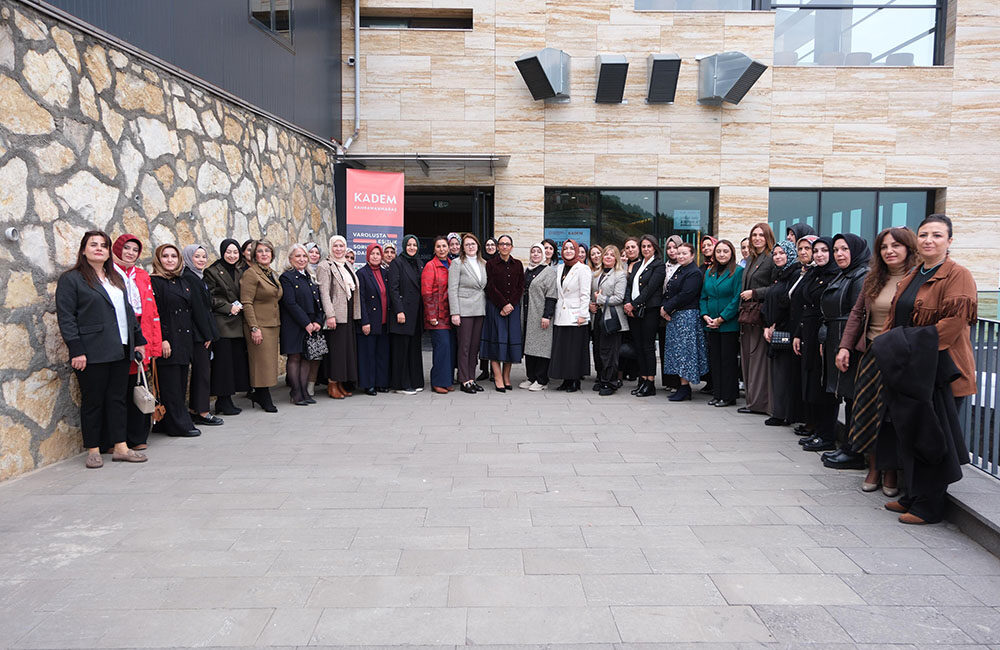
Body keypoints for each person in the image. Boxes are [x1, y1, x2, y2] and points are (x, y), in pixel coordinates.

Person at [878, 214, 976, 525]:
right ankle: (913, 495)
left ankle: (930, 505)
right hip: (910, 369)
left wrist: (904, 346)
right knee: (912, 433)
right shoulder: (913, 275)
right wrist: (890, 348)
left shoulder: (958, 275)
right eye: (923, 235)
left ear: (949, 241)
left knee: (936, 435)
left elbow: (950, 327)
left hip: (940, 371)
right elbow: (896, 321)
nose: (928, 240)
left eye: (936, 235)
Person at [56, 231, 148, 467]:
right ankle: (93, 449)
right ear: (83, 250)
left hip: (120, 347)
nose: (99, 248)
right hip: (92, 350)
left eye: (103, 245)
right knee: (93, 400)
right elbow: (67, 317)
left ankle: (120, 446)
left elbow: (127, 312)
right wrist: (76, 349)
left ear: (108, 252)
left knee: (117, 399)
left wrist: (139, 341)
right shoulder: (72, 279)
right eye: (93, 244)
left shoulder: (114, 278)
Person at [837, 227, 918, 495]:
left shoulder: (916, 278)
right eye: (884, 247)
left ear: (908, 248)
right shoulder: (874, 278)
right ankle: (873, 466)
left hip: (901, 357)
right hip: (871, 354)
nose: (889, 251)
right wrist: (845, 346)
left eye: (896, 246)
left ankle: (891, 471)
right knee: (867, 411)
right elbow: (857, 312)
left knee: (892, 416)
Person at [801, 233, 871, 455]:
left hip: (847, 342)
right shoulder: (844, 275)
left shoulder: (860, 276)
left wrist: (846, 346)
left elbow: (858, 314)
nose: (839, 254)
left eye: (844, 249)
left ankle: (852, 449)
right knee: (834, 390)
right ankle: (836, 440)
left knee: (850, 396)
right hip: (833, 337)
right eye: (837, 250)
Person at [111, 234, 162, 451]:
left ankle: (138, 436)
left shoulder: (141, 275)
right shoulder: (108, 274)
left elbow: (151, 310)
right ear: (117, 249)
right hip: (119, 338)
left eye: (135, 250)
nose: (130, 253)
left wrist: (154, 343)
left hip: (141, 337)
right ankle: (116, 438)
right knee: (118, 391)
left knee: (139, 387)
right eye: (127, 248)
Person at [149, 244, 201, 436]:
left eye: (173, 256)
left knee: (179, 384)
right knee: (170, 385)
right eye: (165, 256)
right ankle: (178, 425)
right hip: (168, 340)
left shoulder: (182, 281)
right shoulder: (154, 282)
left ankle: (170, 421)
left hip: (184, 339)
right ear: (158, 259)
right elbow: (156, 314)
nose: (170, 260)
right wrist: (162, 340)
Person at [794, 238, 838, 447]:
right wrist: (798, 333)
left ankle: (827, 435)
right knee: (812, 382)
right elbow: (805, 305)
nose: (819, 254)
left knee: (823, 385)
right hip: (808, 333)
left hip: (824, 335)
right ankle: (817, 429)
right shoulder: (813, 273)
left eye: (824, 251)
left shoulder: (835, 274)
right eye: (816, 250)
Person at [204, 239, 250, 416]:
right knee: (223, 364)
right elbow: (210, 296)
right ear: (222, 252)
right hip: (223, 322)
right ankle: (223, 400)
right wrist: (227, 307)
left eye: (235, 252)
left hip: (238, 322)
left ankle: (228, 399)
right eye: (229, 252)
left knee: (235, 363)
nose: (232, 255)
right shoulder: (213, 271)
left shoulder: (240, 270)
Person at [181, 245, 223, 428]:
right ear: (189, 257)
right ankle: (202, 411)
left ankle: (195, 409)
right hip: (199, 335)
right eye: (196, 256)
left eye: (203, 256)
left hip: (201, 332)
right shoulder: (190, 278)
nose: (201, 259)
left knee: (201, 372)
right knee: (202, 373)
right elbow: (198, 310)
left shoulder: (197, 277)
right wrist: (207, 335)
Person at [738, 223, 778, 414]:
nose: (757, 238)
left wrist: (754, 292)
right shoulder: (751, 259)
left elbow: (775, 288)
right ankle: (751, 400)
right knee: (747, 359)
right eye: (754, 234)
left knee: (758, 361)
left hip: (760, 315)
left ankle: (759, 403)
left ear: (768, 237)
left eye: (761, 235)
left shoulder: (770, 259)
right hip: (747, 316)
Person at [761, 240, 801, 426]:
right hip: (774, 328)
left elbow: (788, 303)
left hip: (786, 329)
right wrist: (766, 325)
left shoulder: (795, 274)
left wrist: (775, 324)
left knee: (785, 373)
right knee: (778, 372)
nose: (777, 257)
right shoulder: (779, 275)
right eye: (775, 254)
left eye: (782, 253)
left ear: (790, 255)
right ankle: (779, 411)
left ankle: (785, 413)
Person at [660, 242, 707, 402]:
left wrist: (666, 307)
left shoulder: (694, 272)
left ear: (692, 255)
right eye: (678, 253)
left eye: (684, 253)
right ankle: (682, 386)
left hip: (687, 317)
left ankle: (685, 388)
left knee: (685, 354)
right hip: (677, 316)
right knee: (678, 354)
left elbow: (686, 294)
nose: (680, 256)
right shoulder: (681, 269)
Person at [240, 240, 283, 413]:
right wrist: (254, 327)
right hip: (259, 324)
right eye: (260, 251)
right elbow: (246, 302)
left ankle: (260, 393)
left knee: (269, 362)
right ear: (254, 255)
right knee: (261, 362)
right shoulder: (251, 273)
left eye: (267, 251)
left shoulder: (271, 273)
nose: (264, 254)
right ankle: (262, 395)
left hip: (273, 323)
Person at [279, 244, 324, 405]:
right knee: (295, 357)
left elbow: (318, 302)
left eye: (304, 256)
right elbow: (290, 303)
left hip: (312, 324)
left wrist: (318, 321)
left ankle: (305, 391)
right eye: (298, 256)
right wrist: (306, 323)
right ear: (290, 258)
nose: (302, 259)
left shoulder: (310, 276)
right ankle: (296, 392)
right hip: (294, 324)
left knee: (307, 357)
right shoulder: (287, 277)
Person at [700, 240, 743, 407]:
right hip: (710, 323)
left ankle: (728, 395)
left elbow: (736, 299)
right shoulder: (709, 272)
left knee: (727, 361)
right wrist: (705, 315)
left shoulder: (738, 272)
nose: (722, 254)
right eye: (719, 251)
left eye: (725, 251)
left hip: (728, 324)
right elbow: (704, 296)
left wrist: (722, 318)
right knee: (715, 360)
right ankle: (717, 394)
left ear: (731, 253)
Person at [317, 235, 360, 399]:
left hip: (347, 315)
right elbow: (324, 293)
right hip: (336, 316)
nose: (339, 249)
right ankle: (332, 383)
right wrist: (330, 315)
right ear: (330, 247)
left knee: (344, 352)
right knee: (336, 352)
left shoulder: (346, 264)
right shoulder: (325, 266)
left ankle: (340, 382)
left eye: (342, 246)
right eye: (335, 246)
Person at [481, 234, 525, 391]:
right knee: (496, 341)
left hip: (512, 309)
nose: (504, 246)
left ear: (512, 247)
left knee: (510, 343)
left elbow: (520, 286)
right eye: (502, 244)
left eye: (507, 244)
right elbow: (490, 287)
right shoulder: (491, 264)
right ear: (498, 247)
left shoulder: (518, 264)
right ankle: (497, 377)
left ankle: (506, 376)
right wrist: (503, 304)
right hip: (496, 308)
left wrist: (511, 304)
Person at [624, 234, 666, 397]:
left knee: (648, 347)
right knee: (639, 346)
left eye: (649, 246)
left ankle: (650, 383)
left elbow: (650, 289)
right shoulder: (637, 265)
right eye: (644, 246)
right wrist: (628, 303)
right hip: (634, 311)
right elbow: (629, 286)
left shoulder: (659, 265)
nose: (646, 249)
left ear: (655, 247)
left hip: (649, 310)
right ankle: (642, 379)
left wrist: (633, 304)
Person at [549, 240, 592, 392]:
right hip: (561, 314)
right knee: (563, 350)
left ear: (576, 250)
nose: (568, 251)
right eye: (565, 248)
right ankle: (566, 380)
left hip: (575, 315)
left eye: (571, 248)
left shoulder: (583, 269)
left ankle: (575, 381)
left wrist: (583, 314)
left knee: (574, 350)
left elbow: (585, 294)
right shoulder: (560, 268)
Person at [450, 234, 488, 394]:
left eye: (473, 244)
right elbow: (452, 289)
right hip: (464, 310)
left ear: (478, 246)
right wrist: (455, 313)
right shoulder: (457, 263)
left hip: (480, 309)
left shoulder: (483, 263)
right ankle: (464, 379)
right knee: (464, 346)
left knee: (474, 347)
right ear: (462, 248)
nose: (471, 247)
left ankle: (472, 378)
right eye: (467, 244)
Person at [387, 234, 424, 395]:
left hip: (416, 313)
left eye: (414, 245)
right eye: (409, 245)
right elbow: (393, 289)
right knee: (401, 349)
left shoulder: (419, 262)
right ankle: (400, 384)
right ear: (404, 246)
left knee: (413, 348)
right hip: (403, 313)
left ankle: (415, 380)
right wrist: (399, 310)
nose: (412, 248)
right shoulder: (397, 263)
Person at [591, 245, 628, 396]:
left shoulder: (620, 274)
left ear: (616, 258)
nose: (607, 257)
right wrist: (591, 304)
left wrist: (599, 298)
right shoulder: (597, 273)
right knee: (599, 349)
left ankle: (611, 382)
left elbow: (619, 297)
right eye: (606, 254)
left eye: (612, 255)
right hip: (598, 315)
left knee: (610, 352)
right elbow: (591, 293)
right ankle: (602, 379)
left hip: (612, 317)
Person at [522, 242, 558, 391]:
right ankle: (531, 377)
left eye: (538, 252)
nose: (535, 254)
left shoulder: (548, 271)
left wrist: (547, 315)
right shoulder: (528, 270)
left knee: (542, 348)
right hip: (528, 314)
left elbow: (551, 295)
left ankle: (542, 379)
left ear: (543, 254)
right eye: (533, 251)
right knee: (530, 347)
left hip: (541, 315)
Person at [423, 236, 456, 394]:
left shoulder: (452, 264)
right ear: (434, 249)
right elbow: (427, 293)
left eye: (444, 246)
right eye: (438, 246)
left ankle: (447, 380)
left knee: (449, 349)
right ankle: (437, 381)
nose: (442, 249)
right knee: (441, 348)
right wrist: (431, 316)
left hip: (450, 314)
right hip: (437, 315)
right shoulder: (431, 266)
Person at [356, 243, 391, 396]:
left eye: (378, 254)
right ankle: (368, 384)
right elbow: (361, 299)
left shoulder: (385, 273)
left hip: (384, 320)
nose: (375, 257)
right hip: (370, 321)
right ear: (367, 256)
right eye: (372, 254)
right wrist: (365, 321)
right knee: (368, 355)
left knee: (382, 353)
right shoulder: (362, 273)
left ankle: (381, 383)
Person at [660, 235, 683, 392]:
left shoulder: (685, 267)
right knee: (664, 346)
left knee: (677, 348)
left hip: (678, 311)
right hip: (662, 312)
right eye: (669, 248)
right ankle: (668, 380)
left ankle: (677, 382)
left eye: (675, 247)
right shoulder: (663, 267)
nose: (672, 251)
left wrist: (670, 308)